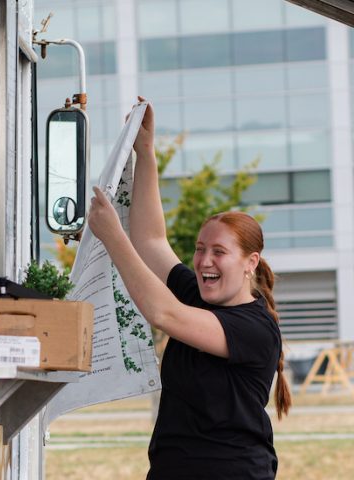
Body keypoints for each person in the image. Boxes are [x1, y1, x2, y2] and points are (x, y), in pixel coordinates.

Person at [87, 97, 292, 479]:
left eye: (219, 252)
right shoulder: (197, 296)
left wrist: (113, 238)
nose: (204, 261)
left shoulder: (255, 328)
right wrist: (145, 152)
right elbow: (151, 241)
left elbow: (163, 313)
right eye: (200, 250)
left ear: (251, 262)